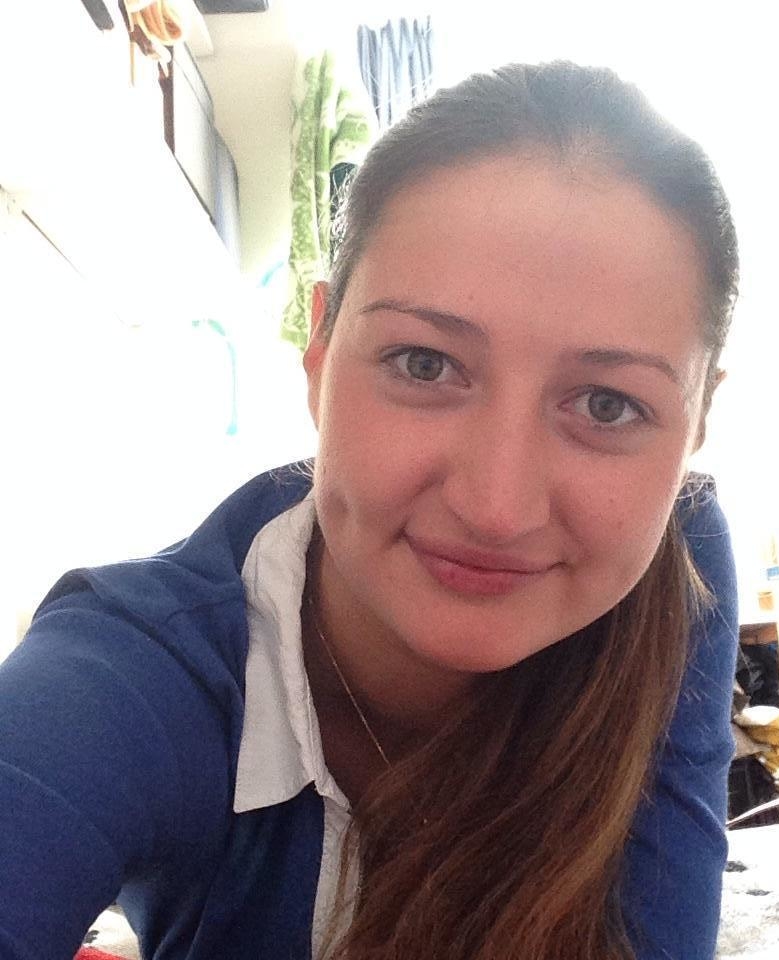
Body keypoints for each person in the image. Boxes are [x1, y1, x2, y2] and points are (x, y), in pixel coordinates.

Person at [0, 61, 739, 960]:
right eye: (425, 364)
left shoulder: (677, 563)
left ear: (697, 420)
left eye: (609, 405)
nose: (496, 507)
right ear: (318, 349)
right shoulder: (134, 675)